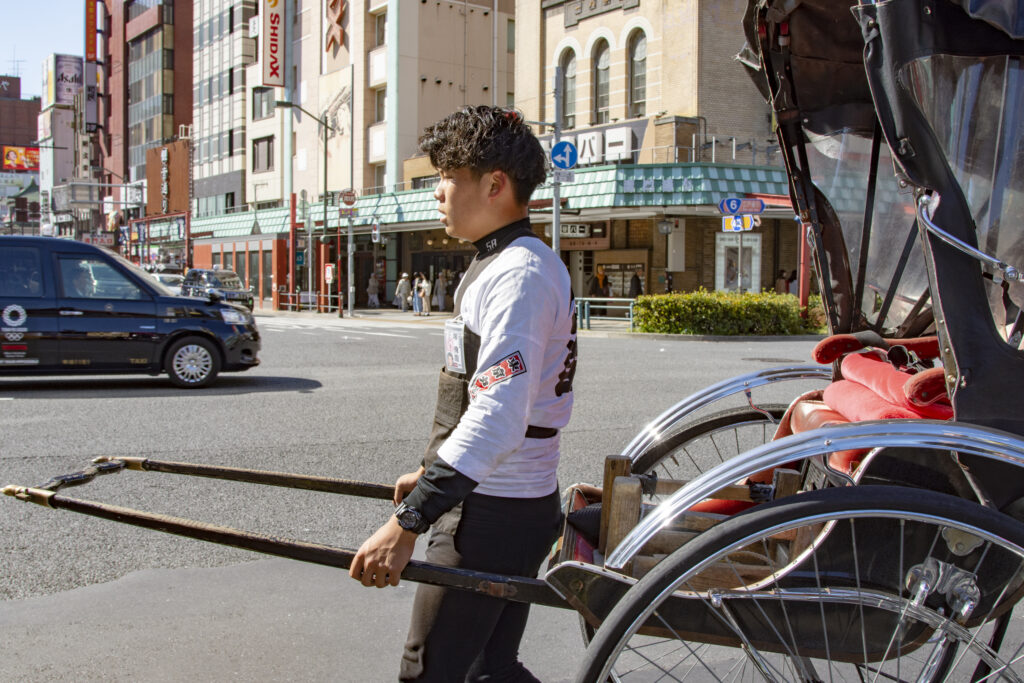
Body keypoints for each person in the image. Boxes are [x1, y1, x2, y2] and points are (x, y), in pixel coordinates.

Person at [350, 105, 577, 683]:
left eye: (446, 178)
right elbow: (478, 394)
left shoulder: (518, 274)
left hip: (495, 512)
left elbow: (498, 417)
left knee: (429, 672)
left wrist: (407, 522)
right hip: (504, 500)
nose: (437, 194)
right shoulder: (504, 262)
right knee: (487, 670)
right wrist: (433, 471)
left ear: (495, 185)